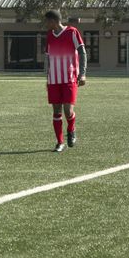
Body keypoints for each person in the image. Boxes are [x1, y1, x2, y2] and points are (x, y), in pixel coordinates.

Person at [45, 9, 87, 153]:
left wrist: (82, 74)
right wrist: (47, 77)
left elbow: (82, 52)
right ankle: (59, 142)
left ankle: (71, 129)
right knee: (56, 111)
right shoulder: (49, 36)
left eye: (47, 21)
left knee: (68, 111)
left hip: (69, 78)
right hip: (54, 79)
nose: (46, 24)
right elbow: (48, 58)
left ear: (53, 21)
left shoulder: (72, 32)